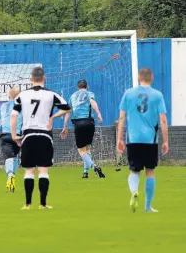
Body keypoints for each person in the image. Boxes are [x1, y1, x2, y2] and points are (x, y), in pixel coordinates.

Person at [11, 67, 71, 210]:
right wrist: (53, 117)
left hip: (28, 135)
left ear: (31, 79)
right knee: (43, 171)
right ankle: (43, 204)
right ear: (44, 78)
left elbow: (14, 116)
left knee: (29, 171)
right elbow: (68, 108)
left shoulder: (21, 95)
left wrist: (14, 135)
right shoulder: (51, 94)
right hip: (45, 134)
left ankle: (27, 204)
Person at [117, 67, 168, 213]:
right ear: (152, 79)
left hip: (133, 139)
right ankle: (147, 207)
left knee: (134, 171)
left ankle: (134, 191)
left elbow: (121, 118)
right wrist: (165, 141)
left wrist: (119, 139)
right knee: (150, 172)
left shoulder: (128, 93)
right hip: (150, 140)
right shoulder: (157, 95)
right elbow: (163, 120)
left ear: (139, 78)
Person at [60, 80, 105, 179]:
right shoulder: (90, 94)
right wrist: (99, 114)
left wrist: (65, 126)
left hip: (78, 123)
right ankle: (85, 173)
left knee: (81, 150)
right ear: (87, 86)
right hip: (90, 122)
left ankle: (94, 167)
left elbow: (68, 112)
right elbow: (92, 102)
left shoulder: (73, 96)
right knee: (87, 148)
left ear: (77, 87)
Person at [0, 87, 22, 192]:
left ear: (9, 96)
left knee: (9, 157)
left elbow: (0, 122)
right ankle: (12, 175)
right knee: (15, 156)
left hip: (5, 134)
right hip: (17, 134)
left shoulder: (3, 106)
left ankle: (10, 175)